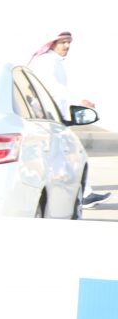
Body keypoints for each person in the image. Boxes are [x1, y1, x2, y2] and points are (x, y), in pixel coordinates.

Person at [32, 31, 108, 204]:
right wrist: (78, 101)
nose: (67, 46)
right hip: (50, 120)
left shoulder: (52, 62)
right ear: (52, 43)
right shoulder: (47, 63)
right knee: (73, 155)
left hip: (54, 119)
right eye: (63, 42)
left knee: (68, 158)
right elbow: (54, 90)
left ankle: (84, 194)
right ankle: (83, 195)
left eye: (69, 42)